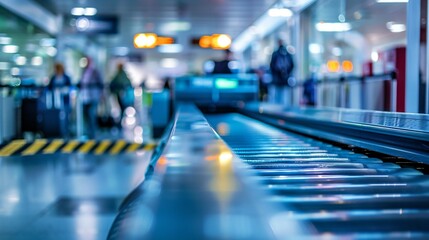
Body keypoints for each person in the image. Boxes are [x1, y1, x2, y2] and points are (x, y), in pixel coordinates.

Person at [79, 57, 103, 138]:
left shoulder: (95, 72)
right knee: (86, 116)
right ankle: (88, 133)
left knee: (91, 115)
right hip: (84, 97)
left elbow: (101, 84)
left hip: (93, 97)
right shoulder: (83, 71)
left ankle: (93, 134)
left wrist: (100, 95)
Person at [269, 40, 294, 106]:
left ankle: (281, 109)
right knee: (281, 97)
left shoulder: (281, 54)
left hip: (281, 80)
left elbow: (272, 66)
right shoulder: (284, 54)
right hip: (281, 80)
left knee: (281, 97)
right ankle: (281, 109)